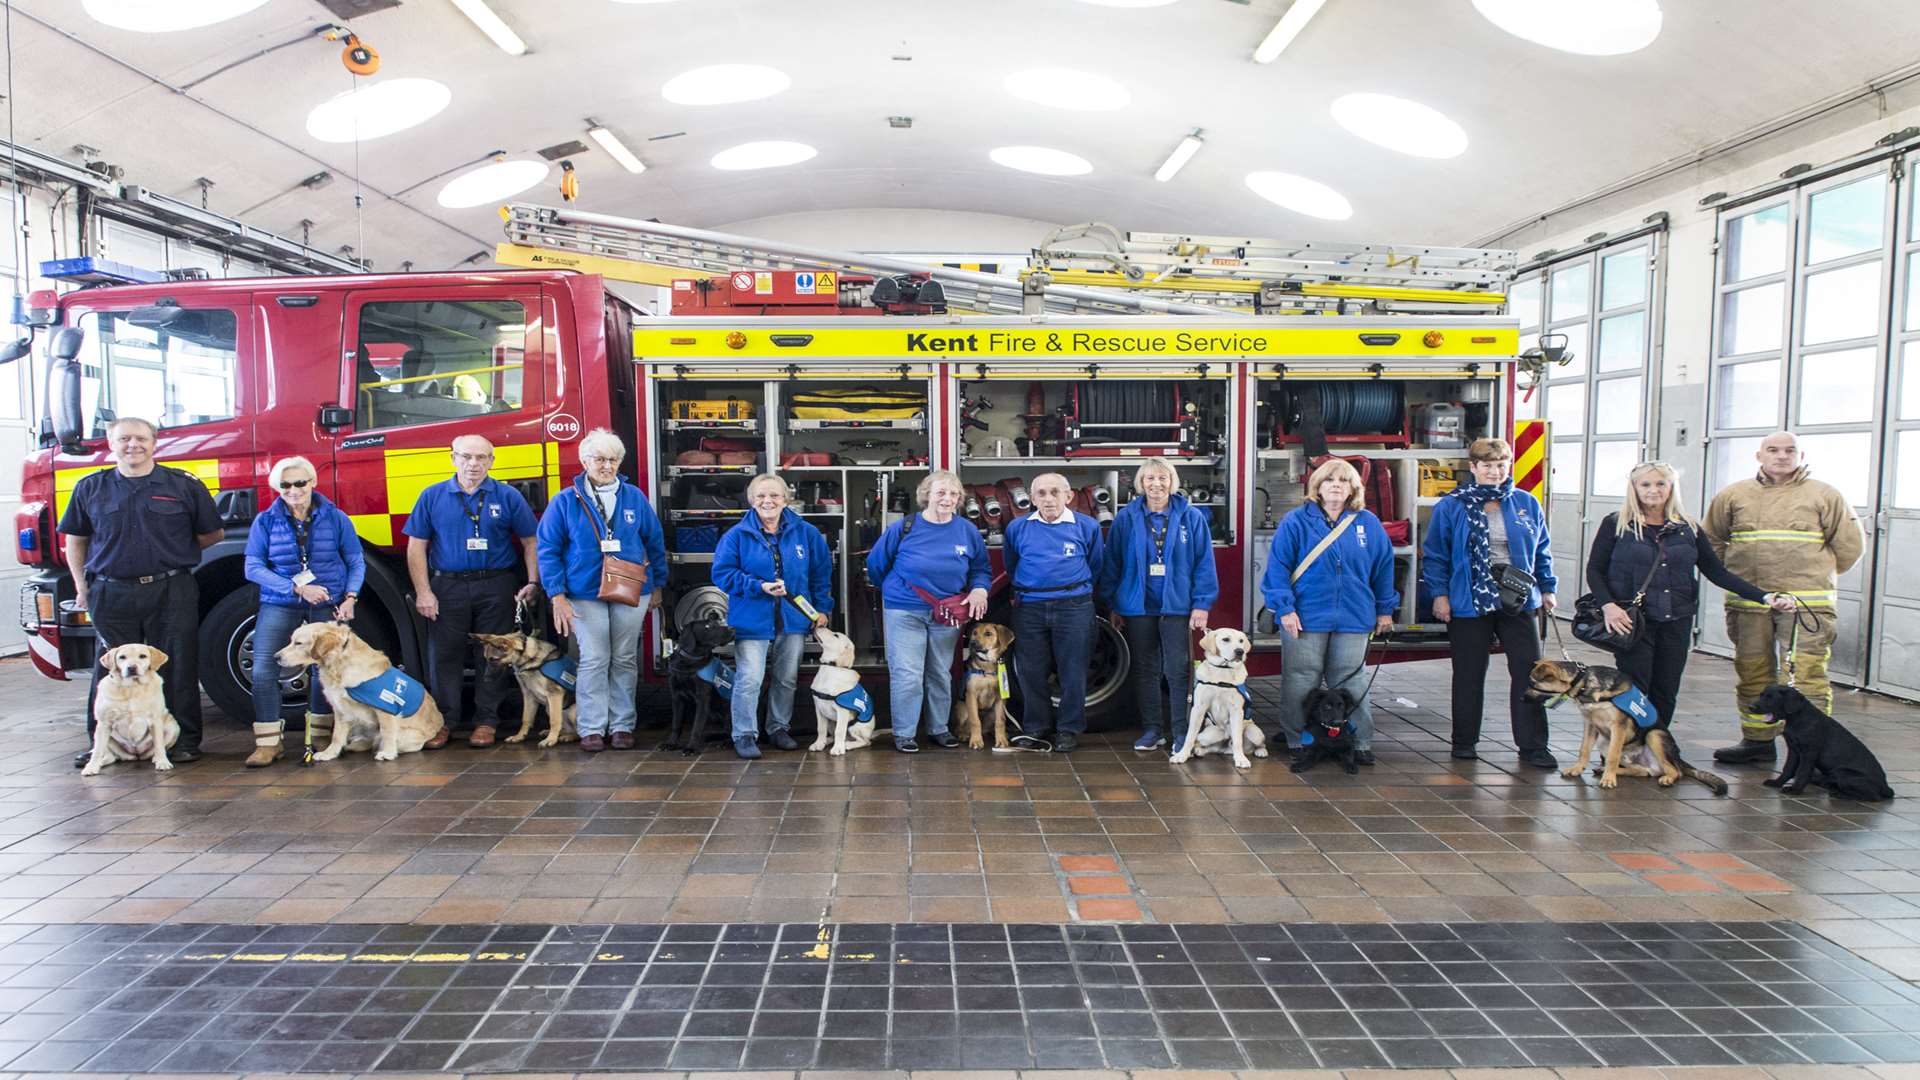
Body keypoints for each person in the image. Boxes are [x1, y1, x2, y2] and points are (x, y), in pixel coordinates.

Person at [61, 417, 223, 768]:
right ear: (111, 444)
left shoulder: (183, 485)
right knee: (109, 667)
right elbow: (75, 540)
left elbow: (212, 534)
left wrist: (172, 552)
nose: (132, 445)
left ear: (154, 444)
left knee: (177, 663)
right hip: (110, 591)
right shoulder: (90, 487)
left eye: (140, 439)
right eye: (124, 439)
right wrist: (80, 586)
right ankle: (101, 746)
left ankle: (183, 741)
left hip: (170, 588)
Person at [1588, 461, 1795, 734]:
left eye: (1661, 483)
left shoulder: (1688, 528)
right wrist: (1609, 607)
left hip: (1676, 620)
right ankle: (1624, 749)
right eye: (1645, 484)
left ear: (1671, 488)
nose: (1653, 490)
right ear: (1634, 488)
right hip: (1633, 623)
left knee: (1666, 688)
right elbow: (1594, 570)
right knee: (1634, 688)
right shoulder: (1617, 524)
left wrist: (1765, 597)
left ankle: (1657, 747)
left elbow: (1717, 572)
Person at [1702, 431, 1864, 765]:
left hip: (1807, 606)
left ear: (1801, 456)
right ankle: (1757, 742)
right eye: (1773, 450)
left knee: (1807, 676)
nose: (1781, 456)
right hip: (1750, 604)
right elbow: (1710, 543)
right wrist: (1732, 580)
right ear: (1758, 456)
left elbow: (1849, 546)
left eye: (1790, 450)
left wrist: (1813, 578)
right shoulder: (1734, 495)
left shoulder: (1825, 495)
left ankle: (1814, 752)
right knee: (1753, 672)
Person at [1421, 437, 1559, 767]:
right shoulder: (1452, 506)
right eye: (1487, 465)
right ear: (1474, 468)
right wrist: (1440, 595)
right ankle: (1464, 742)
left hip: (1518, 600)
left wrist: (1548, 589)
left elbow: (1541, 550)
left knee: (1529, 672)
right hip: (1469, 600)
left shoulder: (1526, 503)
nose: (1495, 471)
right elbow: (1436, 554)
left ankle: (1533, 746)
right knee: (1469, 673)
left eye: (1501, 465)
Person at [535, 429, 668, 753]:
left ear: (619, 462)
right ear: (584, 461)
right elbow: (548, 549)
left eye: (612, 459)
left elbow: (654, 540)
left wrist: (659, 584)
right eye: (599, 459)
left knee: (624, 658)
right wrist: (557, 595)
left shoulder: (634, 497)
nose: (606, 465)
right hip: (583, 592)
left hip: (631, 588)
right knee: (594, 658)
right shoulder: (564, 501)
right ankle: (592, 727)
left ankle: (622, 725)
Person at [403, 435, 540, 748]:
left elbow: (530, 541)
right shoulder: (432, 496)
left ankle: (486, 721)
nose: (473, 464)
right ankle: (443, 722)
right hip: (446, 586)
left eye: (481, 458)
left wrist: (532, 582)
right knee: (444, 656)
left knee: (492, 656)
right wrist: (424, 592)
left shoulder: (507, 496)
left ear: (491, 461)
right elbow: (416, 546)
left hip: (496, 585)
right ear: (453, 458)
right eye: (466, 457)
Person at [1260, 458, 1396, 765]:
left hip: (1355, 615)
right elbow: (1277, 568)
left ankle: (1358, 741)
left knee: (1351, 681)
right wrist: (1285, 608)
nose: (1336, 485)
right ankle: (1300, 740)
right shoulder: (1296, 522)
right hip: (1305, 616)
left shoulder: (1368, 524)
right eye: (1329, 480)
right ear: (1317, 487)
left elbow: (1384, 568)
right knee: (1300, 680)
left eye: (1343, 481)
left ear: (1353, 489)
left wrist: (1385, 609)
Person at [242, 455, 371, 767]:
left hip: (328, 601)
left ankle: (321, 736)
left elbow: (355, 560)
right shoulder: (265, 520)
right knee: (263, 669)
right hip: (280, 600)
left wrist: (351, 597)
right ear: (278, 488)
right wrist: (295, 588)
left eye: (300, 482)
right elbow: (252, 567)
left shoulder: (336, 517)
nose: (294, 489)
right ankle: (269, 743)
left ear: (313, 482)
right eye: (285, 485)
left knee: (324, 669)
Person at [1097, 458, 1218, 753]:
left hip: (1177, 607)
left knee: (1177, 670)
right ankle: (1153, 730)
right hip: (1138, 607)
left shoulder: (1192, 517)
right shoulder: (1126, 518)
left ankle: (1180, 732)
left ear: (1172, 482)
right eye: (1150, 478)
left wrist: (1202, 604)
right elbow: (1113, 561)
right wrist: (1113, 603)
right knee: (1145, 668)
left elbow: (1204, 563)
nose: (1156, 484)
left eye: (1163, 478)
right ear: (1141, 483)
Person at [865, 469, 988, 753]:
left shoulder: (967, 530)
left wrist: (979, 589)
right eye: (941, 492)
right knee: (907, 673)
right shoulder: (906, 527)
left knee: (940, 673)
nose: (947, 498)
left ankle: (939, 729)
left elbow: (980, 568)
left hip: (947, 614)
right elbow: (876, 563)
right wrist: (897, 592)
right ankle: (905, 733)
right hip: (905, 612)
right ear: (926, 496)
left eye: (953, 493)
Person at [712, 473, 832, 760]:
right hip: (751, 620)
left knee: (786, 678)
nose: (768, 501)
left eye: (775, 496)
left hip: (794, 619)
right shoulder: (736, 536)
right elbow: (722, 574)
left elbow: (821, 574)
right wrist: (758, 587)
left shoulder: (807, 533)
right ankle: (744, 734)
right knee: (750, 678)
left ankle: (778, 728)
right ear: (752, 501)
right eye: (761, 496)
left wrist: (822, 609)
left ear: (786, 499)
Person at [1002, 472, 1104, 753]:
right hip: (1029, 607)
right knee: (1031, 671)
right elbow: (1012, 565)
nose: (1048, 499)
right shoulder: (1017, 528)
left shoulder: (1087, 527)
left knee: (1073, 671)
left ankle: (1069, 729)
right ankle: (1036, 727)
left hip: (1074, 607)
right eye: (1041, 493)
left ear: (1068, 496)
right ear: (1032, 499)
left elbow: (1096, 566)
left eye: (1055, 492)